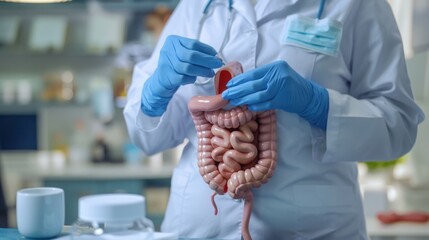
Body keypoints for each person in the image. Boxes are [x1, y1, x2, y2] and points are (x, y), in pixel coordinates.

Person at [124, 0, 425, 239]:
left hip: (312, 231)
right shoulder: (197, 6)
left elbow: (397, 124)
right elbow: (149, 138)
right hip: (197, 229)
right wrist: (155, 91)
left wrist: (318, 104)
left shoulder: (358, 5)